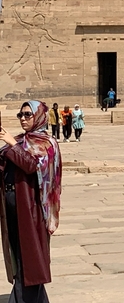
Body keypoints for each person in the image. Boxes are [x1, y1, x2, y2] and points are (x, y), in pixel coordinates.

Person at [0, 100, 62, 303]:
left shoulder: (46, 143)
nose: (23, 119)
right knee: (21, 258)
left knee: (30, 260)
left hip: (31, 210)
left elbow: (32, 165)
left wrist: (12, 145)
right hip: (13, 206)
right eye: (21, 115)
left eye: (28, 114)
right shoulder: (20, 141)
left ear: (39, 116)